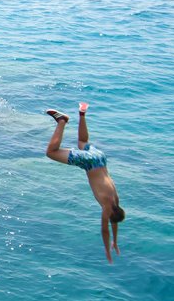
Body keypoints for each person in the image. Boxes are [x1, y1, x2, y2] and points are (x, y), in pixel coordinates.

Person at [44, 103, 125, 263]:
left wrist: (115, 240)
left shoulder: (116, 200)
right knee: (51, 152)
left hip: (100, 158)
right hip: (90, 163)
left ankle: (82, 114)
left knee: (82, 141)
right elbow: (104, 230)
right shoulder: (107, 207)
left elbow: (113, 223)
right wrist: (107, 249)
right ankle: (62, 121)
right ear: (110, 215)